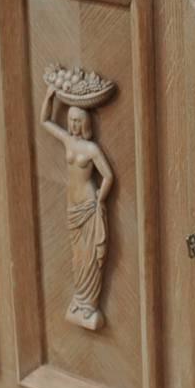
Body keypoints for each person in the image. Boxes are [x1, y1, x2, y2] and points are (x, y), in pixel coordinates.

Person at [40, 83, 116, 331]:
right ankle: (80, 300)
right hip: (71, 205)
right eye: (70, 120)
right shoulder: (67, 141)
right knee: (77, 256)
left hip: (87, 203)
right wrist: (50, 97)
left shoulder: (91, 149)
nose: (72, 126)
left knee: (90, 256)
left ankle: (89, 305)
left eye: (76, 121)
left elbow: (108, 176)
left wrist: (100, 200)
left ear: (85, 123)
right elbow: (46, 122)